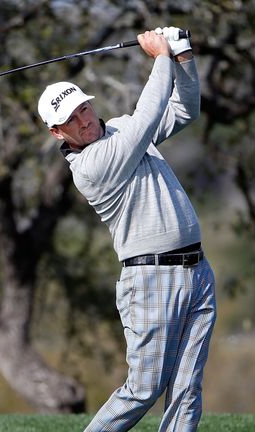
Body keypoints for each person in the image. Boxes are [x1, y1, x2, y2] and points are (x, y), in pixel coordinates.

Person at [37, 27, 216, 432]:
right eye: (70, 120)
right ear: (57, 132)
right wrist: (159, 57)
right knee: (143, 389)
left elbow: (184, 110)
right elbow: (148, 118)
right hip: (151, 278)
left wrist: (183, 56)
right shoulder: (91, 166)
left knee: (187, 390)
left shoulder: (119, 129)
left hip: (197, 271)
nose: (83, 121)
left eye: (83, 109)